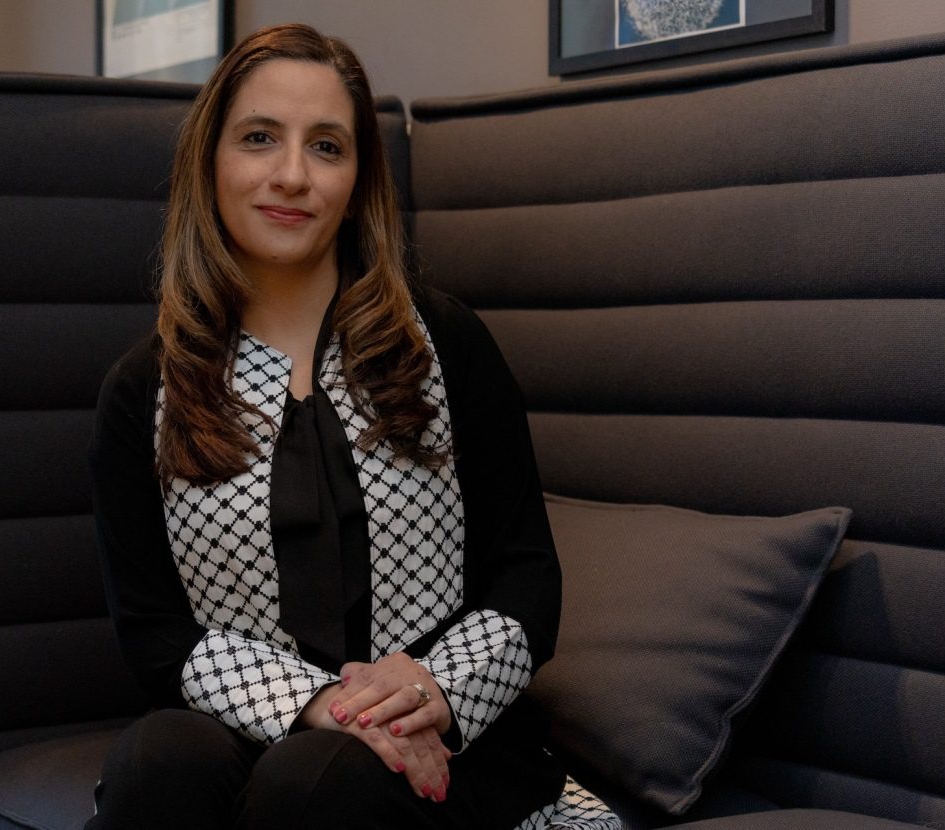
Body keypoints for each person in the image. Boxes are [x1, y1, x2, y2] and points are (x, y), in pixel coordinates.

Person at [86, 22, 613, 829]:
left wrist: (425, 697)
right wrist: (319, 704)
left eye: (326, 147)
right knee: (157, 761)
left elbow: (526, 579)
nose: (291, 175)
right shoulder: (143, 390)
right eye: (259, 138)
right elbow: (156, 635)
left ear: (358, 176)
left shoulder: (446, 344)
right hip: (252, 734)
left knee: (317, 783)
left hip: (444, 738)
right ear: (211, 162)